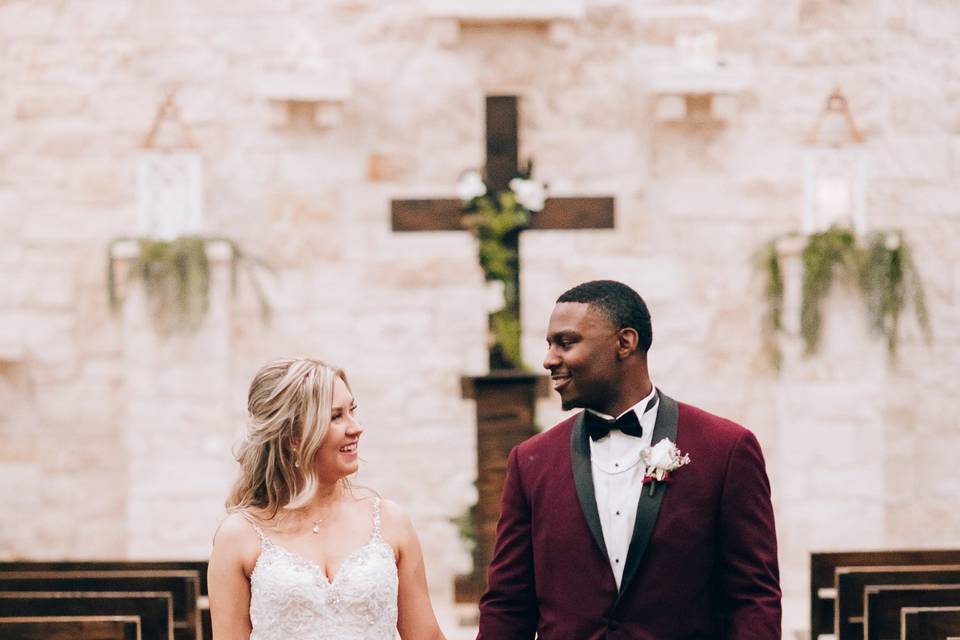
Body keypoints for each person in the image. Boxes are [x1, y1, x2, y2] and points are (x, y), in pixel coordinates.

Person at [478, 280, 781, 639]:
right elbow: (508, 606)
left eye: (566, 342)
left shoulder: (725, 450)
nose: (549, 360)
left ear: (625, 342)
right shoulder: (530, 462)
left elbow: (753, 600)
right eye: (549, 345)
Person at [209, 357, 446, 640]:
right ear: (293, 437)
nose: (356, 427)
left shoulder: (390, 521)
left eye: (352, 411)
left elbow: (426, 637)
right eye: (336, 416)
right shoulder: (238, 536)